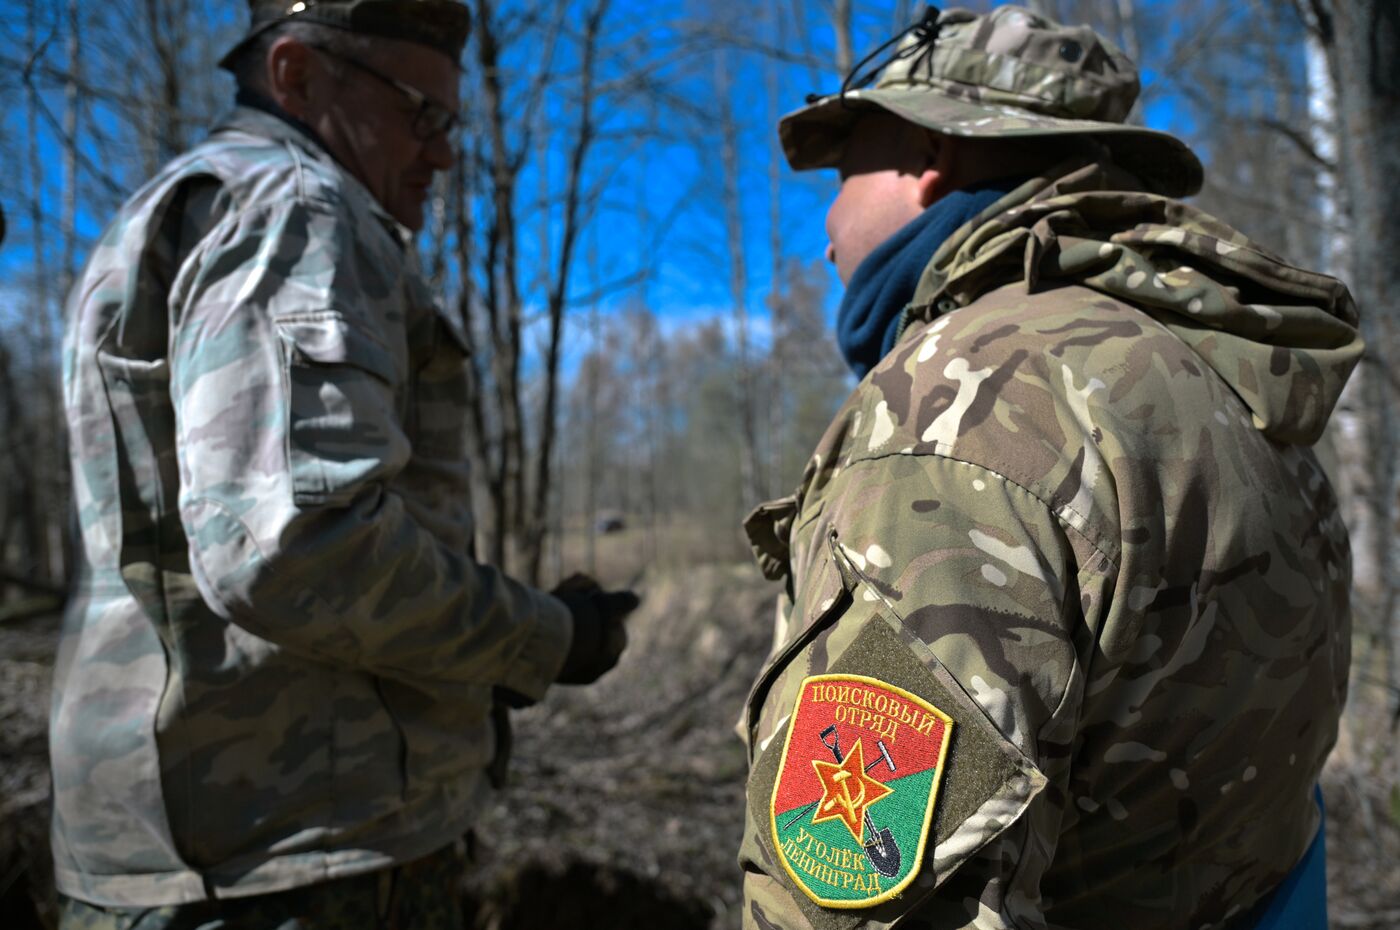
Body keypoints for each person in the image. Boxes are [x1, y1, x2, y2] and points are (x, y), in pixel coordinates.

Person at [739, 6, 1361, 929]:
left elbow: (864, 908)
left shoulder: (960, 417)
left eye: (840, 175)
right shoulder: (1219, 376)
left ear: (925, 154)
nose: (826, 233)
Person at [52, 1, 637, 926]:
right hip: (290, 859)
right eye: (421, 113)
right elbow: (295, 551)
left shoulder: (199, 203)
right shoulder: (293, 209)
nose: (442, 152)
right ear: (296, 76)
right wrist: (546, 637)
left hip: (214, 843)